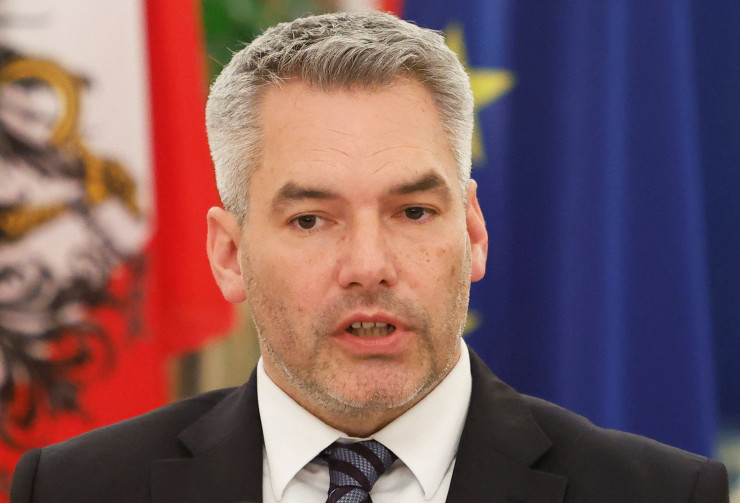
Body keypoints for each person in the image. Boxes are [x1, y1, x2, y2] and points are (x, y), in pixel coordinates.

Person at [10, 11, 729, 503]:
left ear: (473, 232)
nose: (368, 264)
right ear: (228, 255)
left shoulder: (658, 494)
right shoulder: (76, 489)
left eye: (413, 212)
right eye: (311, 219)